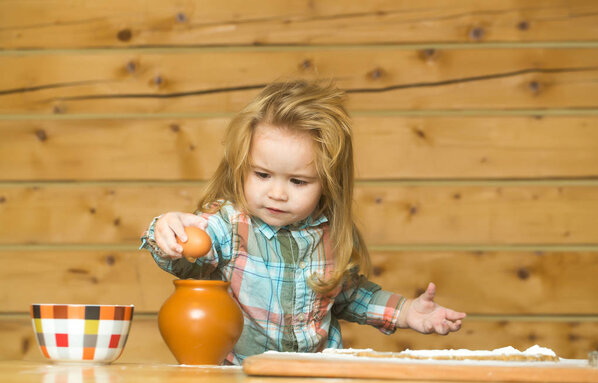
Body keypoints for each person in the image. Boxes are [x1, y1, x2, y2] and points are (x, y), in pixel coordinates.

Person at [140, 79, 466, 365]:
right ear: (240, 167)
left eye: (298, 181)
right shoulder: (229, 225)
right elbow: (192, 250)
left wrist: (407, 311)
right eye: (263, 175)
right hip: (242, 380)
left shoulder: (328, 234)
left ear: (328, 182)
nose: (277, 193)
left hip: (316, 381)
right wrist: (168, 230)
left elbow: (348, 295)